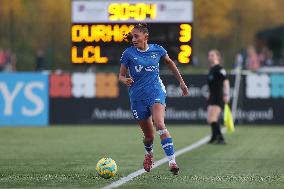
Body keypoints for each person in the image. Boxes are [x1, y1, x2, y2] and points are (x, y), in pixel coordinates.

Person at [118, 23, 189, 175]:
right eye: (132, 36)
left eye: (136, 36)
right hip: (137, 96)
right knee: (149, 136)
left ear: (146, 37)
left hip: (155, 91)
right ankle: (149, 153)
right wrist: (125, 80)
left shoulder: (158, 50)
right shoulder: (128, 53)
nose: (133, 39)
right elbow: (121, 75)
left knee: (160, 123)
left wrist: (181, 82)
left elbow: (170, 64)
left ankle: (172, 161)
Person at [207, 49, 230, 144]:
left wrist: (226, 94)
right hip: (212, 96)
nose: (210, 57)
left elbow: (226, 82)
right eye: (209, 55)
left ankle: (221, 138)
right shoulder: (211, 69)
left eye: (212, 55)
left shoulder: (219, 69)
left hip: (218, 96)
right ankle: (213, 137)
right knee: (209, 119)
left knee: (213, 118)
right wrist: (209, 94)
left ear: (217, 57)